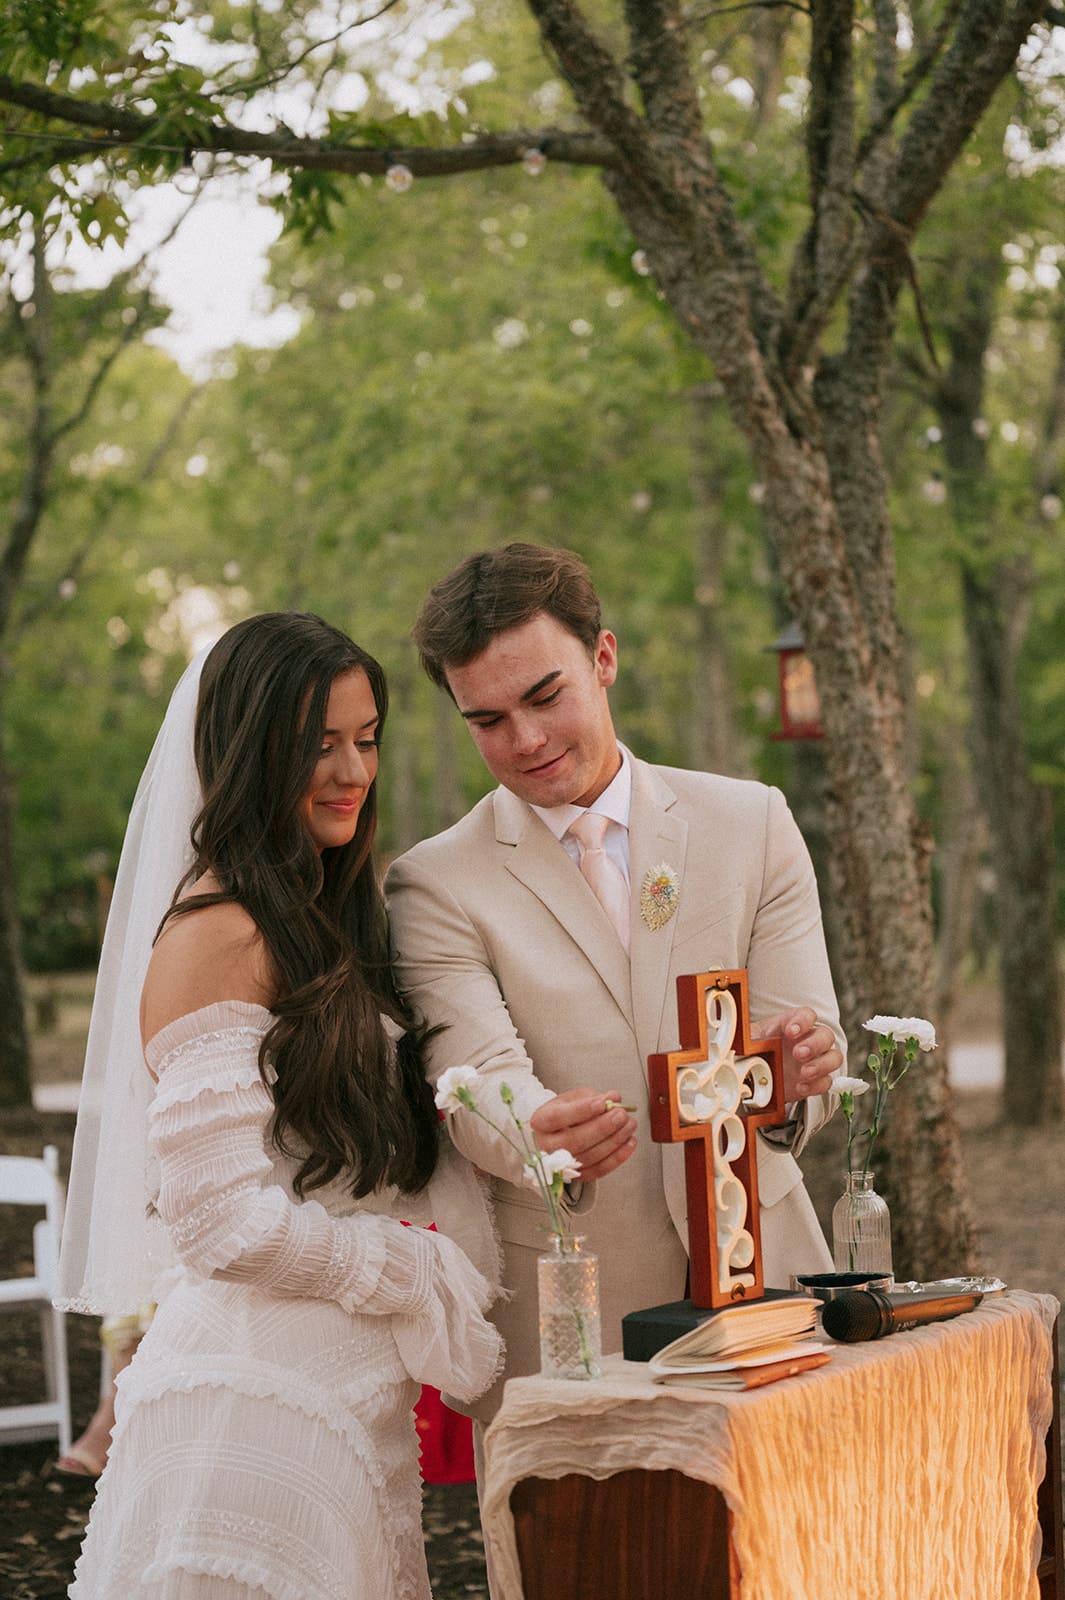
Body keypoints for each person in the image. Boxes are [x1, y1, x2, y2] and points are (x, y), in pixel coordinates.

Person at [62, 613, 502, 1599]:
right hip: (253, 1411)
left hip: (341, 1403)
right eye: (318, 743)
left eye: (366, 737)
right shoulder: (222, 931)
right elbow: (217, 1221)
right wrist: (406, 1265)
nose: (351, 770)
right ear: (252, 747)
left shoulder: (318, 915)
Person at [385, 543, 844, 1424]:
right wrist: (535, 1131)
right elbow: (473, 1079)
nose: (524, 740)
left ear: (603, 658)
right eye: (485, 720)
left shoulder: (751, 823)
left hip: (765, 1283)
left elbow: (798, 1042)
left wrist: (794, 1080)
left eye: (544, 696)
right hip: (572, 1308)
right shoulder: (434, 882)